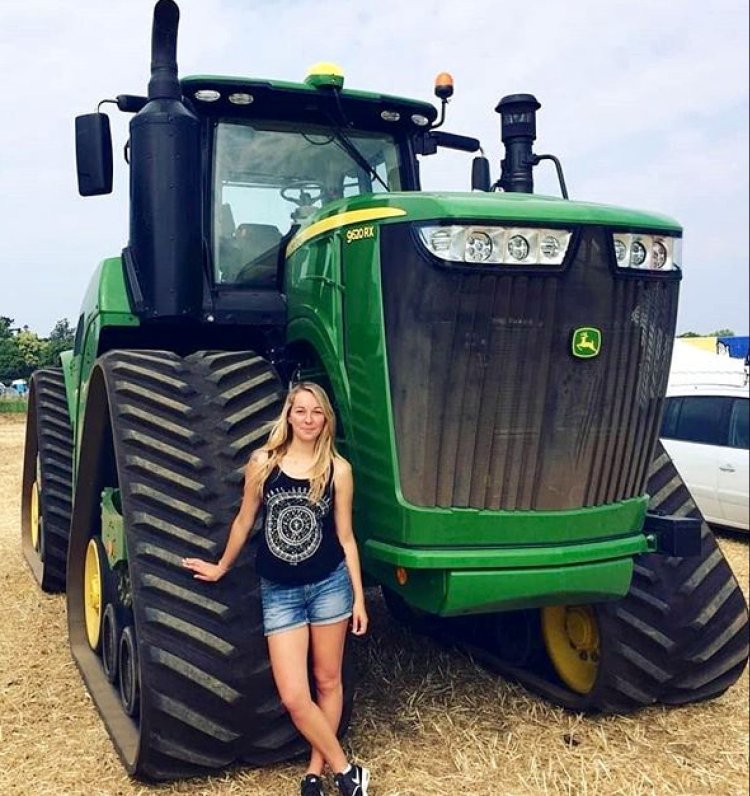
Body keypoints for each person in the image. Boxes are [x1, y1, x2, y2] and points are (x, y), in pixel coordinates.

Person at [182, 382, 370, 796]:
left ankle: (313, 772)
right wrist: (221, 566)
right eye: (299, 411)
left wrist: (358, 596)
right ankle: (346, 770)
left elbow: (346, 537)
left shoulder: (338, 470)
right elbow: (244, 520)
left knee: (327, 681)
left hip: (329, 587)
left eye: (316, 412)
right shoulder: (263, 463)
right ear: (288, 415)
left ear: (326, 420)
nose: (307, 419)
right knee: (293, 695)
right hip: (280, 592)